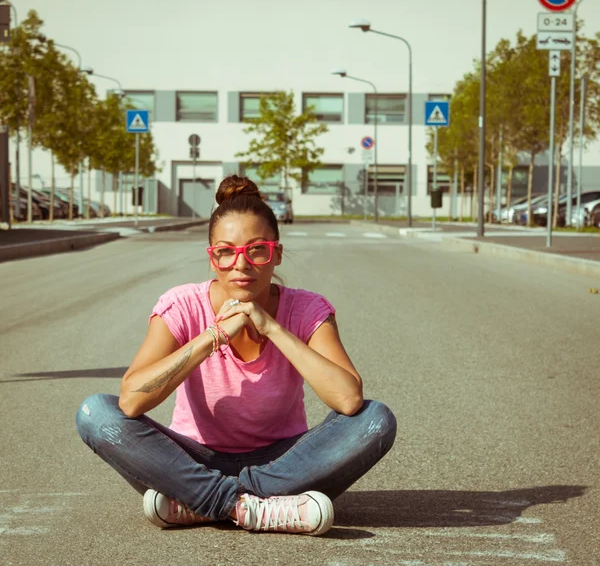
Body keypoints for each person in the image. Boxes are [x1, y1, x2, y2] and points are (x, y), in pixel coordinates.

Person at [76, 175, 397, 536]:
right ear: (212, 259)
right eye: (226, 252)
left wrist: (273, 329)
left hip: (287, 461)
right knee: (95, 413)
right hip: (189, 462)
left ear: (275, 253)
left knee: (376, 419)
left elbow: (349, 399)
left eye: (256, 249)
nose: (240, 264)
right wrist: (212, 336)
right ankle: (250, 507)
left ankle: (201, 505)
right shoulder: (181, 305)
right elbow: (131, 401)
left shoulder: (307, 308)